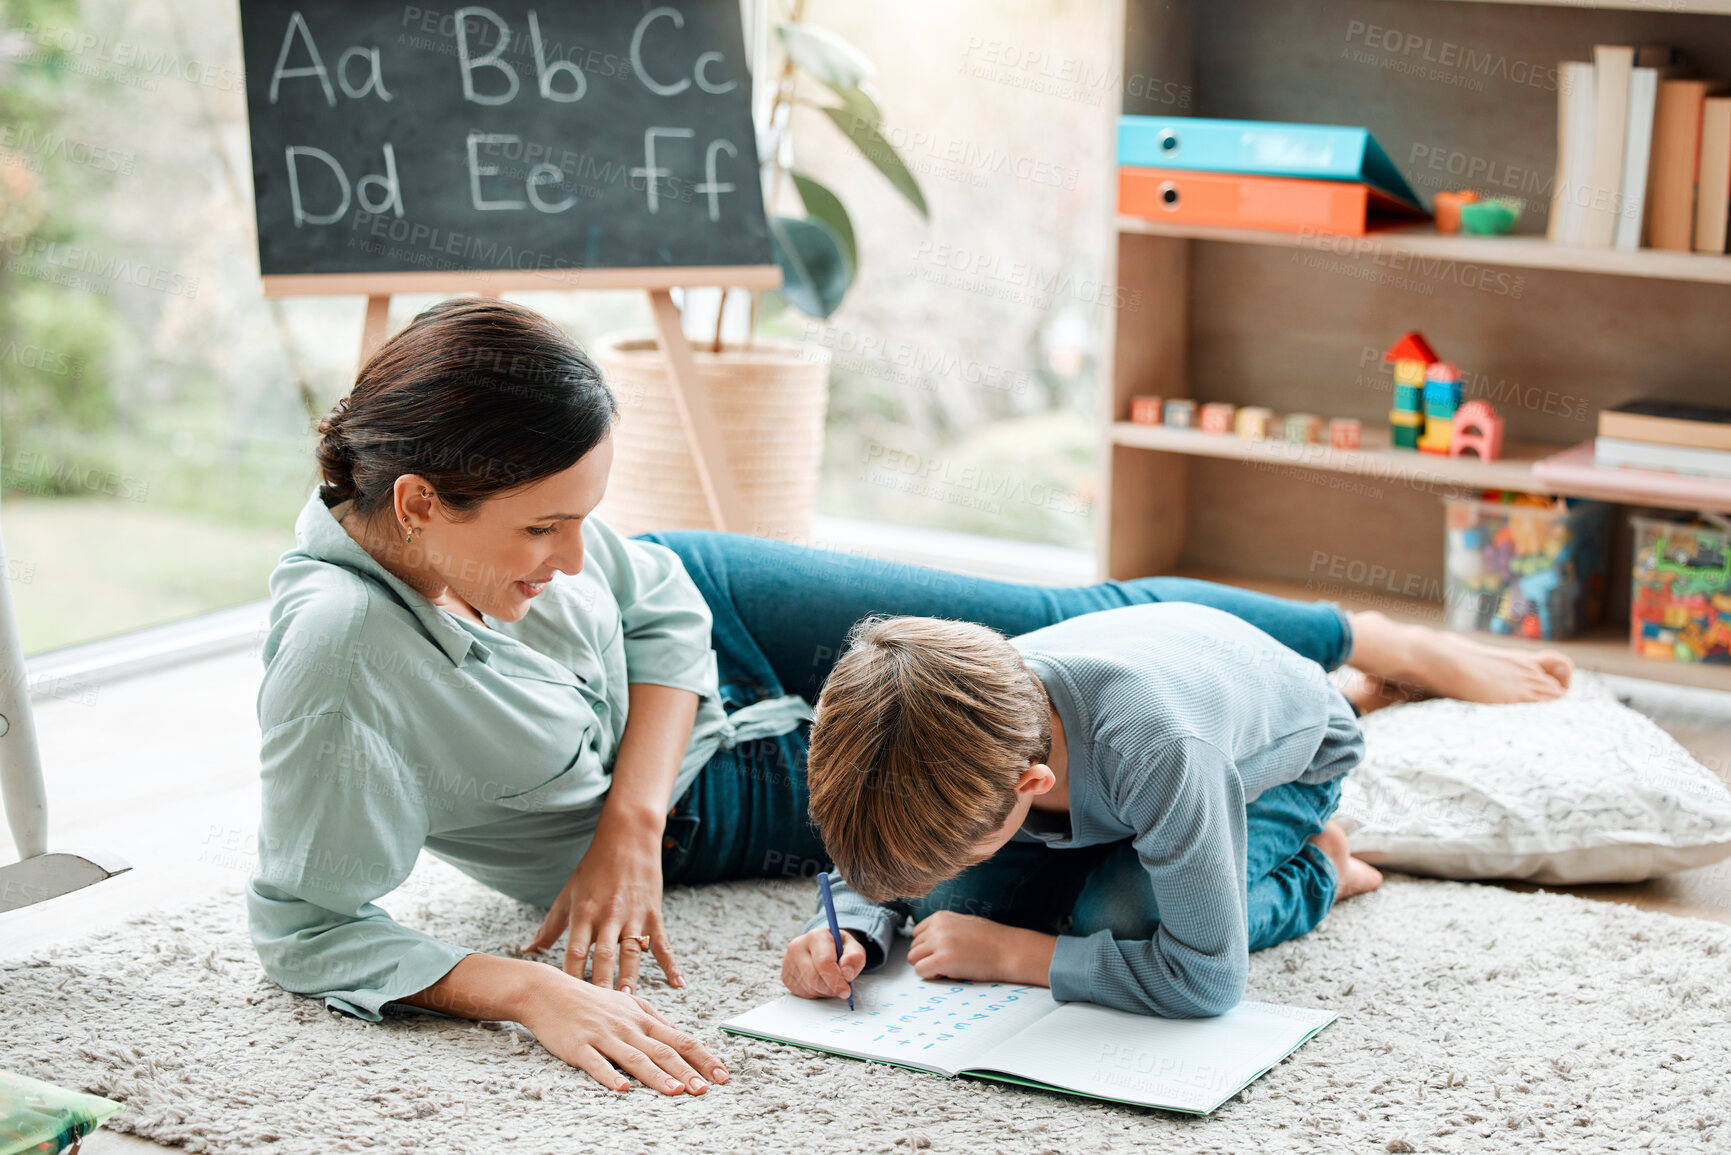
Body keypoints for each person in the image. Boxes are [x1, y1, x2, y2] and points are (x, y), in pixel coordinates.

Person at [248, 296, 1572, 1093]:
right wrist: (527, 988)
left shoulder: (546, 548)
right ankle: (1287, 776)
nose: (577, 558)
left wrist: (624, 824)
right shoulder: (340, 659)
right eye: (544, 530)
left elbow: (657, 601)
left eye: (586, 513)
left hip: (719, 641)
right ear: (416, 505)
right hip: (738, 791)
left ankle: (1367, 635)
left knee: (1070, 624)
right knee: (982, 865)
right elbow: (307, 925)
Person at [779, 607, 1383, 1017]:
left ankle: (1323, 867)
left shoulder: (1162, 752)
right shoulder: (965, 718)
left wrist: (1015, 956)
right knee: (946, 906)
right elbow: (883, 846)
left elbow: (1208, 980)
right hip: (1137, 744)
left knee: (1119, 921)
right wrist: (846, 924)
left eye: (962, 848)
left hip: (1283, 766)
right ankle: (1109, 854)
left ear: (1032, 784)